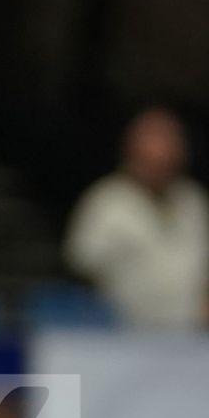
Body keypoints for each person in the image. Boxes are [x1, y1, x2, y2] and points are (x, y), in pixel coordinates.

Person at [64, 106, 209, 329]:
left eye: (171, 147)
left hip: (191, 334)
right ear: (132, 151)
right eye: (153, 153)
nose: (163, 157)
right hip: (125, 335)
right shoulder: (107, 200)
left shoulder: (193, 201)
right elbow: (80, 263)